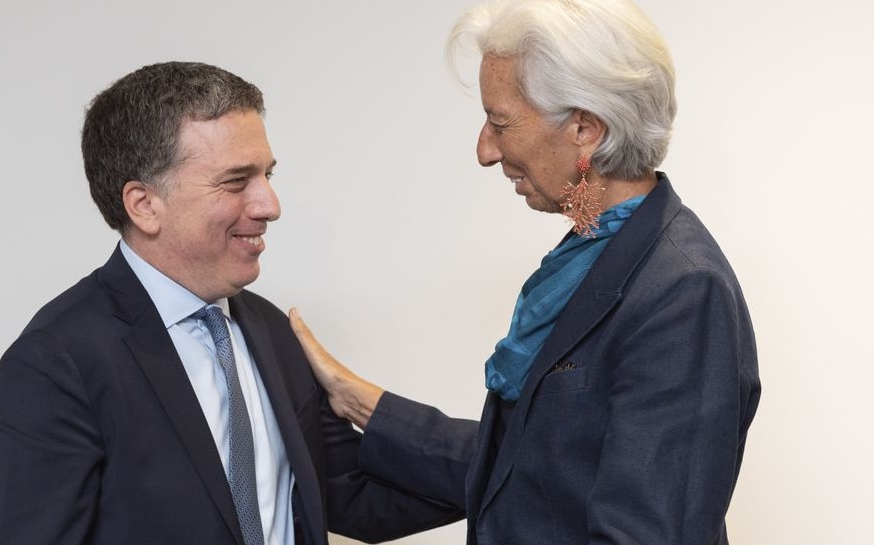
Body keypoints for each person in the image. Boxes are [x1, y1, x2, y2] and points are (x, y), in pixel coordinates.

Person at [290, 1, 761, 544]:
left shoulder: (682, 291)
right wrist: (362, 403)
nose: (484, 150)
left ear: (585, 128)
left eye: (501, 122)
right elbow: (539, 467)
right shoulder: (590, 256)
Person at [0, 62, 462, 545]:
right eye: (235, 181)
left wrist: (500, 457)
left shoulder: (272, 330)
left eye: (267, 175)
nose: (270, 205)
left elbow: (352, 494)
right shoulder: (57, 362)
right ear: (144, 205)